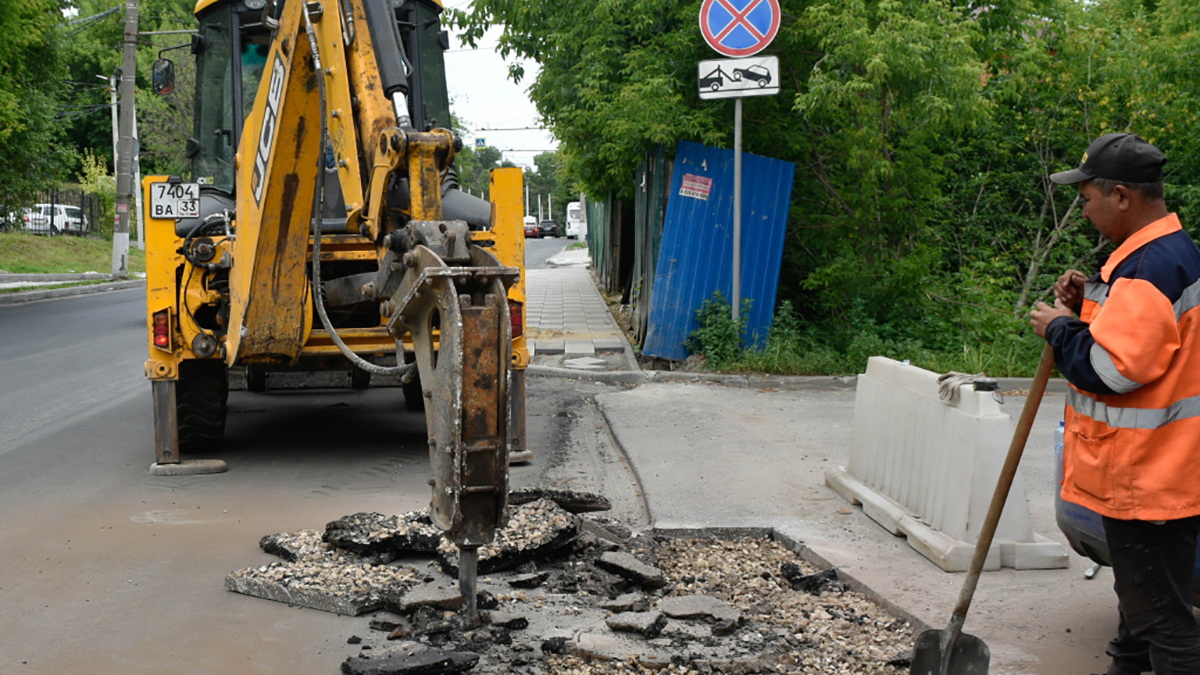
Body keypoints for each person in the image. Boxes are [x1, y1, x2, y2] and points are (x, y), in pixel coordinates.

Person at [1030, 132, 1200, 675]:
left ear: (1122, 196)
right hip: (1159, 472)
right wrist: (1083, 308)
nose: (1084, 210)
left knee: (1163, 622)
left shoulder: (1151, 268)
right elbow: (1140, 344)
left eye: (1087, 199)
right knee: (1142, 604)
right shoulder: (1164, 256)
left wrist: (1058, 329)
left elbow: (1110, 371)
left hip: (1146, 477)